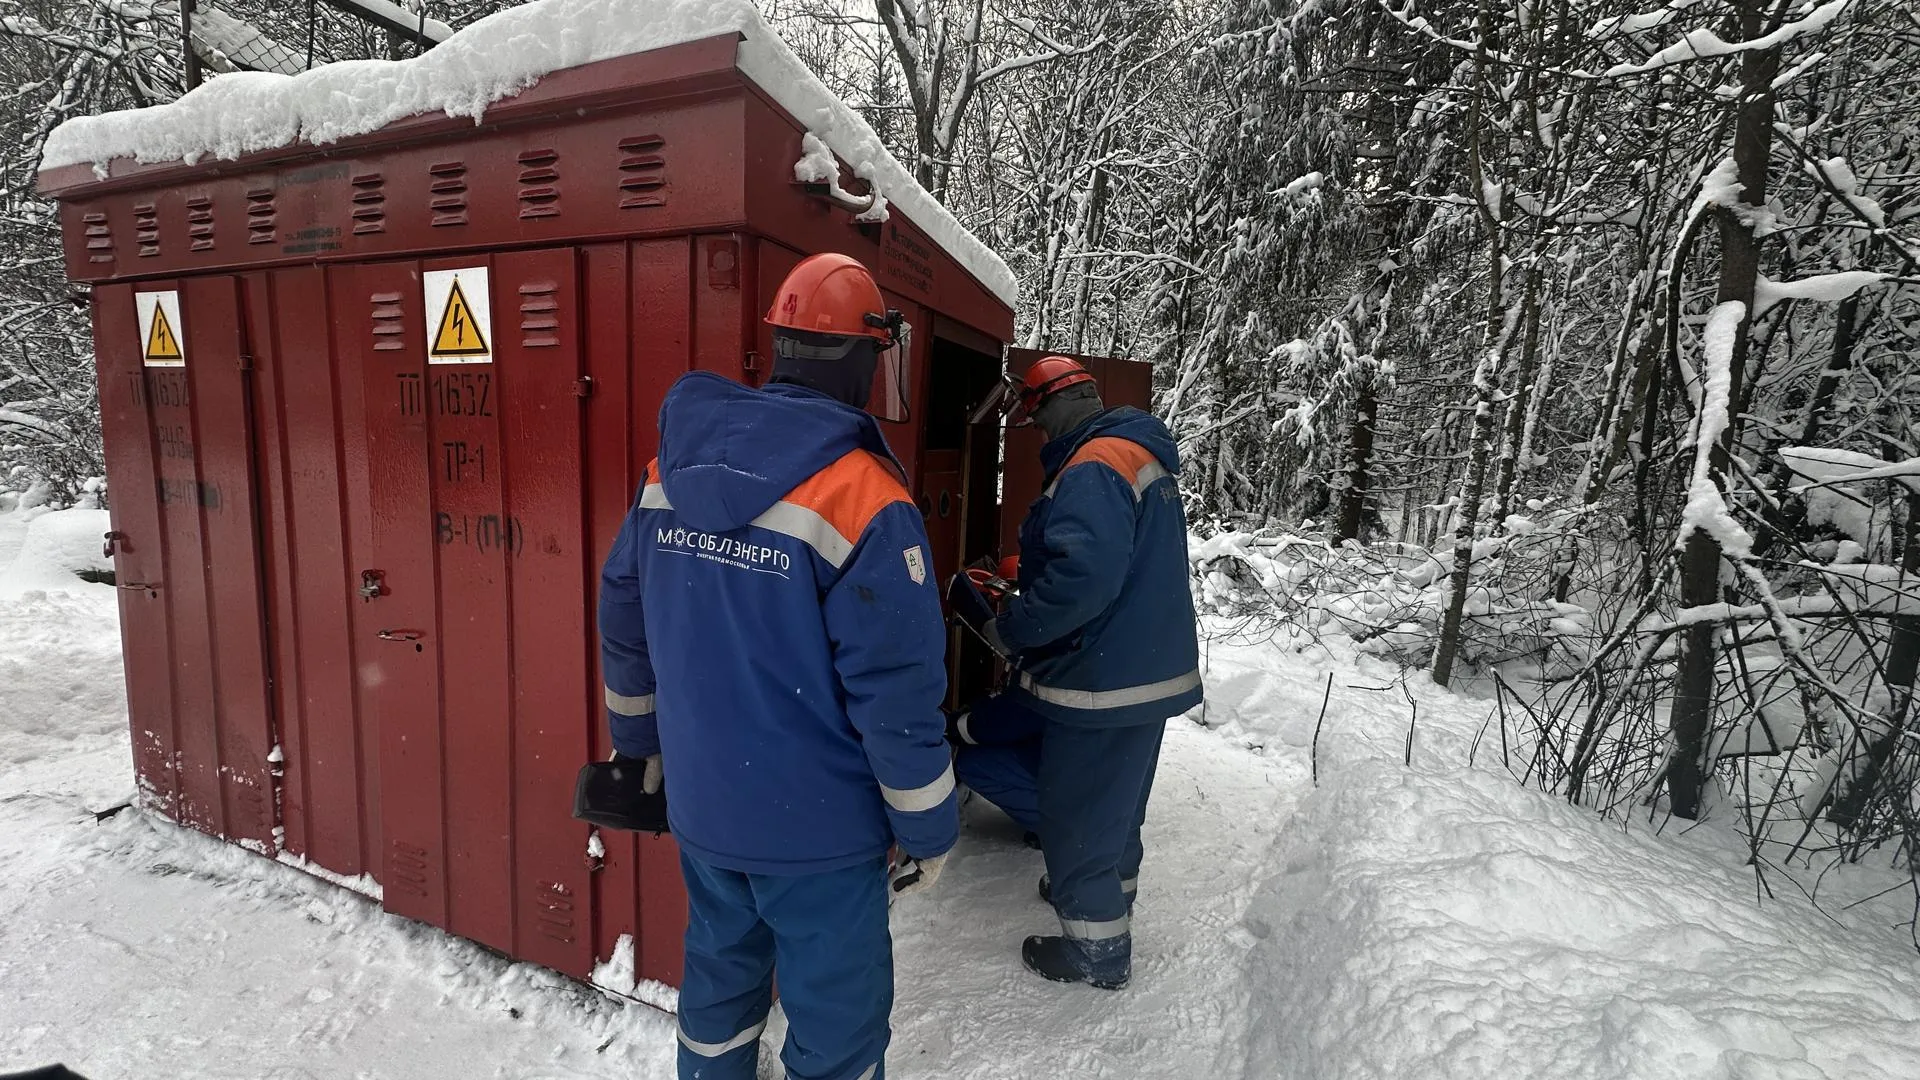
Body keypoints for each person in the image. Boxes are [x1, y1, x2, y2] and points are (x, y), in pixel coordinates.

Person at [598, 252, 958, 1080]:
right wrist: (929, 825)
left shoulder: (668, 475)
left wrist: (640, 744)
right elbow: (896, 695)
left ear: (781, 346)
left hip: (707, 812)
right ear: (869, 358)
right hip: (822, 834)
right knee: (837, 1023)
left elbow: (623, 617)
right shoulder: (867, 499)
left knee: (719, 990)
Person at [946, 356, 1201, 991]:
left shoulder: (1091, 467)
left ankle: (1095, 952)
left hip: (1101, 683)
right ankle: (1106, 901)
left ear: (1055, 405)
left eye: (1034, 419)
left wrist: (1013, 625)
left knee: (1077, 818)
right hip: (1144, 673)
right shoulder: (1136, 453)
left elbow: (1082, 579)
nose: (1038, 434)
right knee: (1117, 811)